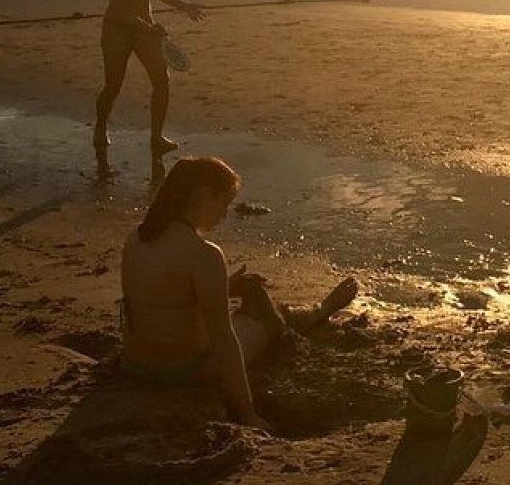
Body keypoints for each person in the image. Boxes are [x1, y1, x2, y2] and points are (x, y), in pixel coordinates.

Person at [119, 156, 359, 429]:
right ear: (203, 196)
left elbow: (164, 297)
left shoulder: (136, 238)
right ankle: (321, 310)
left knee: (245, 293)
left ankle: (296, 312)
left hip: (137, 364)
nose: (224, 215)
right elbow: (224, 341)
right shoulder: (204, 254)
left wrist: (224, 287)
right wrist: (247, 413)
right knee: (266, 316)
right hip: (184, 370)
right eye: (224, 204)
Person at [94, 0, 206, 175]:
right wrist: (146, 26)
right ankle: (100, 127)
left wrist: (186, 6)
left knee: (162, 80)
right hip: (117, 29)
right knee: (113, 85)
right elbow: (118, 5)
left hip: (146, 29)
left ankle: (157, 137)